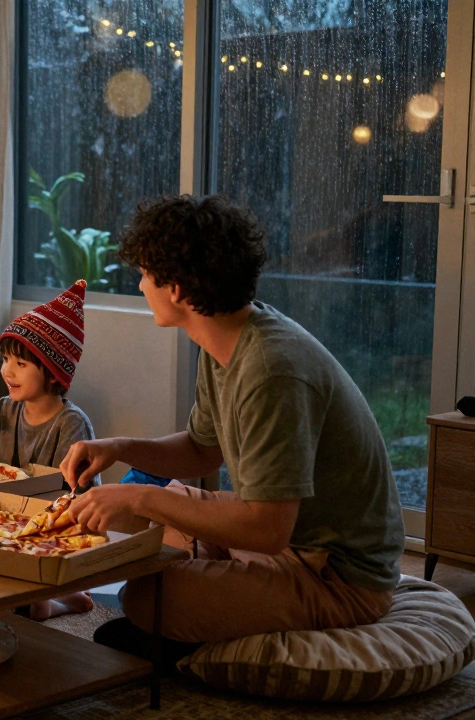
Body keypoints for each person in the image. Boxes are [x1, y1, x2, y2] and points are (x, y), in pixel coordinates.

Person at [59, 195, 404, 657]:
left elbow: (267, 531)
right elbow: (202, 450)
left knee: (146, 594)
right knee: (121, 518)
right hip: (287, 539)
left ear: (177, 288)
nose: (140, 285)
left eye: (144, 273)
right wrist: (119, 448)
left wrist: (144, 493)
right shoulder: (223, 338)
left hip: (333, 573)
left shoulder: (270, 370)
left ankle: (196, 635)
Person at [0, 280, 96, 619]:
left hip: (50, 526)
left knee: (25, 604)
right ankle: (58, 596)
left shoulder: (71, 424)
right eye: (6, 359)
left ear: (52, 372)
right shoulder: (3, 409)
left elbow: (74, 500)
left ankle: (56, 599)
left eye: (21, 364)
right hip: (6, 520)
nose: (7, 370)